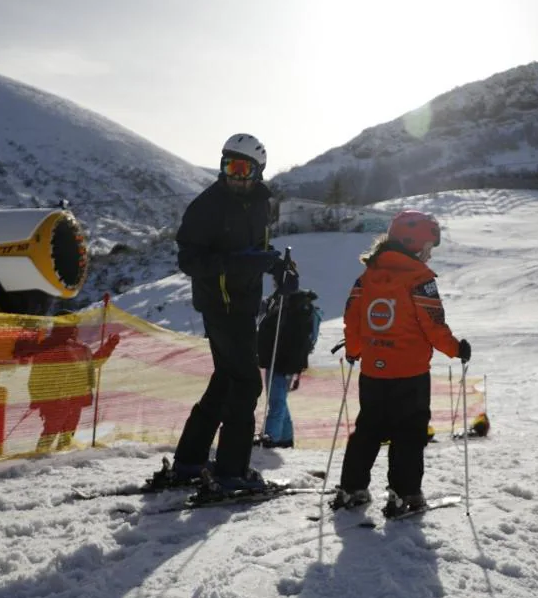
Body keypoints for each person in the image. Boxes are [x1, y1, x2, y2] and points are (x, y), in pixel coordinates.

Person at [159, 134, 299, 500]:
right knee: (247, 385)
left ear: (257, 172)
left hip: (244, 303)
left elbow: (257, 249)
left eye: (242, 168)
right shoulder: (207, 206)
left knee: (225, 380)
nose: (234, 175)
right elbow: (189, 260)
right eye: (228, 166)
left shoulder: (257, 205)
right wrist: (244, 263)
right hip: (220, 305)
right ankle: (231, 471)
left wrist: (278, 267)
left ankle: (190, 461)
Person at [331, 210, 471, 518]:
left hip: (373, 372)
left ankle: (351, 488)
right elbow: (433, 326)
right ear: (416, 245)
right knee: (409, 433)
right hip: (409, 375)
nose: (430, 254)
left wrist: (355, 350)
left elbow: (352, 318)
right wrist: (456, 349)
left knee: (368, 428)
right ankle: (404, 494)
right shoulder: (420, 279)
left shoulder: (366, 276)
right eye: (429, 248)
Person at [22, 323, 120, 453]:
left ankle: (45, 457)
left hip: (64, 397)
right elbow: (94, 363)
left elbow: (36, 375)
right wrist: (110, 346)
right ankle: (47, 457)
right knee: (62, 431)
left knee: (57, 431)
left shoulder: (69, 346)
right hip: (67, 397)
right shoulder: (73, 347)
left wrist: (36, 397)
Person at [257, 288, 323, 448]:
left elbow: (267, 336)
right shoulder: (304, 314)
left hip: (279, 362)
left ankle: (271, 437)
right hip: (288, 364)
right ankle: (285, 437)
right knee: (279, 400)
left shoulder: (286, 314)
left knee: (277, 401)